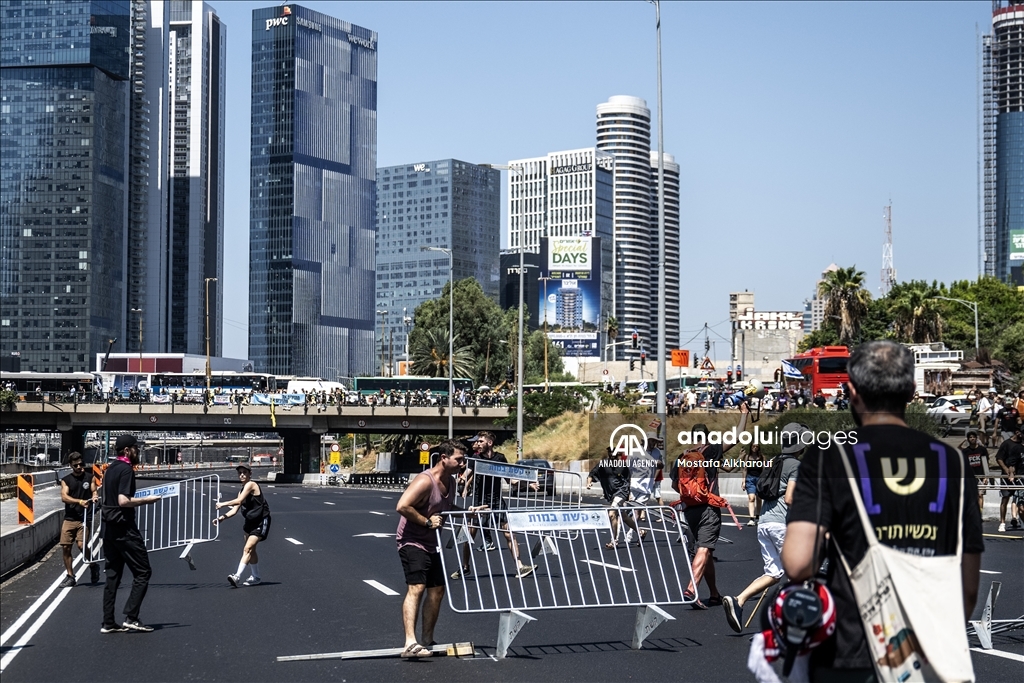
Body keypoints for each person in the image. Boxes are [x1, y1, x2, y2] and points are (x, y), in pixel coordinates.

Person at [782, 341, 983, 680]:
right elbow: (968, 587)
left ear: (851, 391)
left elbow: (799, 564)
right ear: (912, 391)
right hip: (926, 653)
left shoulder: (831, 457)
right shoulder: (955, 463)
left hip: (848, 651)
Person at [722, 424, 808, 633]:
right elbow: (790, 498)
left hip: (765, 523)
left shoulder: (774, 463)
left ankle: (739, 600)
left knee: (774, 573)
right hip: (782, 525)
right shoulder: (795, 466)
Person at [672, 402, 748, 609]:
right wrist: (744, 414)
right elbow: (739, 435)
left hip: (689, 511)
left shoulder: (682, 457)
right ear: (707, 436)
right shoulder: (712, 450)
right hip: (708, 507)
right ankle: (691, 588)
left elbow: (674, 483)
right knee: (704, 549)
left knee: (705, 553)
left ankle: (713, 594)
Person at [395, 439, 464, 658]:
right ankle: (409, 643)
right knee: (417, 587)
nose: (463, 464)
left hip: (432, 544)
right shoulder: (425, 481)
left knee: (437, 591)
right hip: (411, 541)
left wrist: (467, 512)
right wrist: (426, 522)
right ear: (444, 458)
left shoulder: (451, 482)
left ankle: (427, 640)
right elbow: (402, 506)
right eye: (459, 459)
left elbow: (447, 507)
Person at [100, 434, 162, 633]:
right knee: (143, 572)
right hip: (124, 528)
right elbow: (123, 501)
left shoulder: (110, 469)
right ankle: (131, 617)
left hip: (108, 529)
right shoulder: (126, 470)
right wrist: (148, 500)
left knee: (112, 576)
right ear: (127, 451)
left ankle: (108, 622)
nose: (138, 451)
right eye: (136, 448)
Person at [453, 431, 535, 578]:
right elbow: (467, 474)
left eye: (481, 441)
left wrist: (528, 483)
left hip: (497, 501)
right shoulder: (475, 458)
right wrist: (459, 481)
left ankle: (520, 566)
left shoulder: (500, 458)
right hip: (479, 501)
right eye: (477, 442)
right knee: (470, 535)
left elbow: (511, 480)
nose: (477, 444)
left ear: (489, 443)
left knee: (510, 534)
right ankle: (465, 566)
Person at [215, 463, 271, 587]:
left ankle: (237, 576)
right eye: (240, 472)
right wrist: (221, 518)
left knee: (247, 549)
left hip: (261, 520)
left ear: (250, 474)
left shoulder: (251, 485)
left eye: (244, 472)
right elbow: (235, 510)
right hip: (250, 522)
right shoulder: (242, 490)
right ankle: (256, 577)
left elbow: (239, 501)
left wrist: (222, 504)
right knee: (251, 550)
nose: (242, 475)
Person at [59, 452, 100, 587]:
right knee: (66, 547)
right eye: (76, 465)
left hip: (84, 518)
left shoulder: (90, 477)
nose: (79, 467)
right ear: (71, 466)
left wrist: (94, 496)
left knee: (81, 545)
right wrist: (79, 501)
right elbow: (64, 497)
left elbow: (94, 491)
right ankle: (70, 576)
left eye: (81, 464)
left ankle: (93, 565)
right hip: (70, 518)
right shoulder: (66, 480)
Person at [587, 447, 643, 548]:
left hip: (621, 492)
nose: (612, 456)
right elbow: (591, 474)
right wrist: (589, 483)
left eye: (615, 454)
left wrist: (629, 493)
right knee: (624, 517)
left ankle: (614, 541)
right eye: (610, 453)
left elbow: (628, 479)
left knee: (612, 514)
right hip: (611, 494)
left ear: (618, 454)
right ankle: (640, 532)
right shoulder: (603, 464)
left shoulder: (623, 465)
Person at [994, 427, 1022, 532]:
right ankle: (1002, 523)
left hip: (1020, 476)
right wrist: (1006, 470)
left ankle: (1017, 519)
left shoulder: (1022, 445)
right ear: (1017, 432)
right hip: (1007, 475)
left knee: (1020, 499)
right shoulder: (1007, 444)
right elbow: (999, 458)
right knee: (1005, 498)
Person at [960, 431, 989, 512]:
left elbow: (986, 463)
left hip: (981, 476)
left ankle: (980, 512)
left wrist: (986, 477)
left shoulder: (982, 449)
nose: (972, 439)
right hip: (969, 477)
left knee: (980, 495)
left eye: (973, 437)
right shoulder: (966, 451)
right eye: (970, 437)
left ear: (976, 438)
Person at [743, 444, 765, 526]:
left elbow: (764, 469)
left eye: (756, 446)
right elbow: (745, 469)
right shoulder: (747, 457)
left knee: (759, 499)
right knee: (751, 498)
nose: (755, 448)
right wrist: (743, 481)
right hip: (750, 479)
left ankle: (758, 517)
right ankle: (751, 518)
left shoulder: (761, 457)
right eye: (753, 446)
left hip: (759, 479)